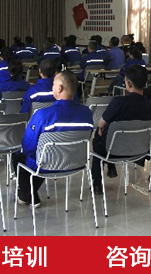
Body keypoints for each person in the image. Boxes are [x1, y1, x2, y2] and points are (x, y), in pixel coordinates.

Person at [12, 70, 94, 207]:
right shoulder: (87, 113)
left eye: (53, 84)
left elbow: (28, 146)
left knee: (19, 157)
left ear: (60, 88)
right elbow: (86, 138)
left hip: (47, 164)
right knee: (40, 158)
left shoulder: (43, 115)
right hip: (76, 162)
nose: (52, 87)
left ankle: (27, 194)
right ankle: (30, 194)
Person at [91, 65, 151, 194]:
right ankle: (111, 168)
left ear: (129, 84)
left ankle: (97, 183)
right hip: (139, 150)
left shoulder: (118, 102)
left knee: (98, 137)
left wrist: (100, 128)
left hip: (113, 150)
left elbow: (101, 123)